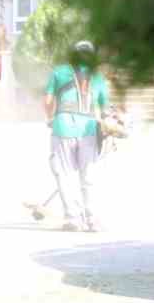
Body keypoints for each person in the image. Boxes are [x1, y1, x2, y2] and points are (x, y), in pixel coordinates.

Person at [42, 40, 123, 232]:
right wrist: (111, 128)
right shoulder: (98, 77)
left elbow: (47, 101)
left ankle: (73, 218)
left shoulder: (59, 72)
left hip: (63, 128)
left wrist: (50, 119)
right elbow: (105, 110)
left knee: (64, 173)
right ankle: (92, 219)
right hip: (88, 128)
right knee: (88, 176)